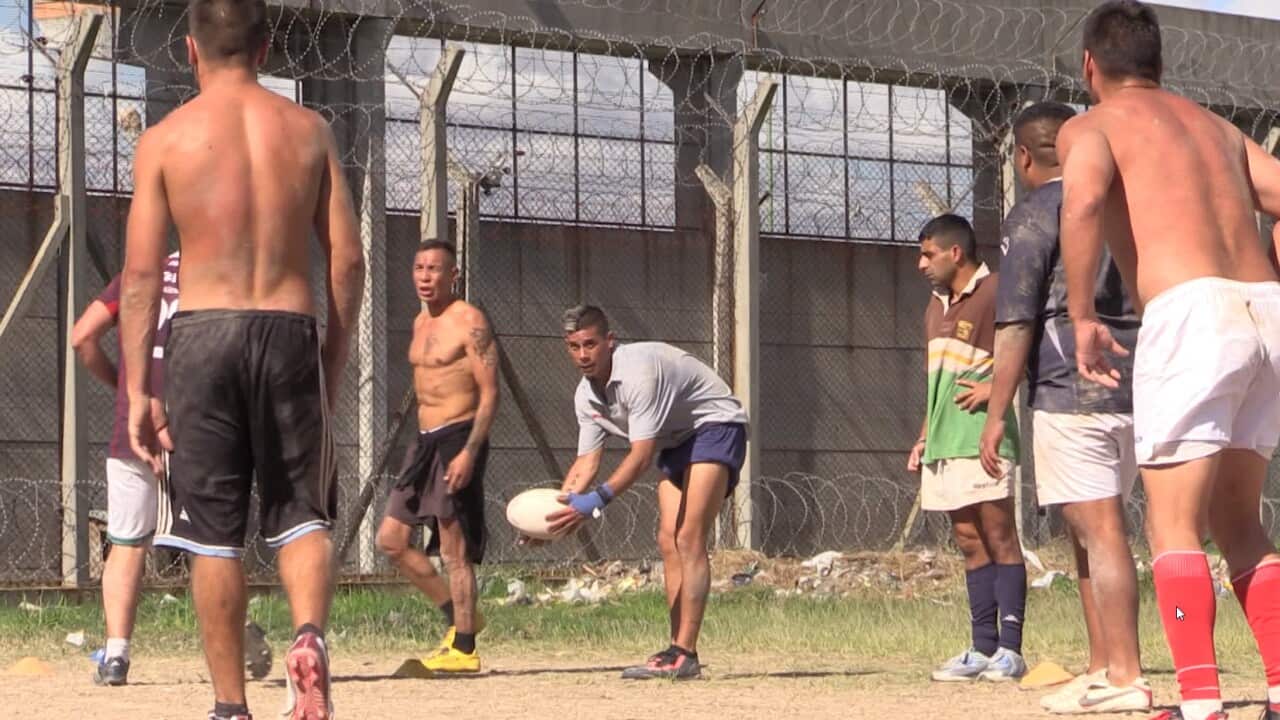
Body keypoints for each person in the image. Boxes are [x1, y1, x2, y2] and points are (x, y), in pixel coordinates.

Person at [118, 0, 365, 715]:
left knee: (211, 533)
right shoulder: (310, 131)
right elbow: (346, 264)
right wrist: (333, 358)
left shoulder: (165, 139)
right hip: (289, 326)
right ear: (266, 49)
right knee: (303, 515)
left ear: (190, 52)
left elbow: (139, 276)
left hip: (203, 332)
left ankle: (231, 706)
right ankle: (310, 638)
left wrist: (140, 388)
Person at [1058, 3, 1280, 719]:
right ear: (1160, 65)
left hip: (1191, 313)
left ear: (1090, 65)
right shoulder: (1219, 129)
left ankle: (1199, 704)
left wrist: (1084, 314)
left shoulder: (1091, 125)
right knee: (1241, 519)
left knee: (1173, 522)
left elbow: (1085, 202)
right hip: (1263, 309)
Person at [978, 101, 1151, 713]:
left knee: (1100, 530)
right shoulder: (1124, 200)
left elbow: (1017, 318)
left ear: (1024, 156)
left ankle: (1126, 674)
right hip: (1138, 383)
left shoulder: (1035, 212)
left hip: (1068, 385)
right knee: (1086, 534)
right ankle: (1101, 665)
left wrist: (997, 412)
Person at [543, 305, 747, 680]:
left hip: (716, 425)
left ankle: (684, 654)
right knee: (667, 540)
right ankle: (678, 650)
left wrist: (597, 500)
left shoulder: (637, 373)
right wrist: (552, 517)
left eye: (590, 344)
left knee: (689, 537)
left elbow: (640, 456)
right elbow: (585, 463)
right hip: (677, 440)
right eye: (574, 346)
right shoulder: (585, 397)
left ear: (609, 342)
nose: (583, 355)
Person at [911, 214, 1027, 683]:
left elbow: (1025, 343)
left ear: (954, 252)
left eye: (927, 253)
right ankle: (981, 648)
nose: (920, 264)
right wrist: (923, 435)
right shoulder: (934, 308)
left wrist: (995, 391)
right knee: (968, 541)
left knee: (1000, 535)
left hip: (983, 435)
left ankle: (1011, 649)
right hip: (944, 440)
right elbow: (937, 384)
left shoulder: (997, 289)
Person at [375, 240, 498, 673]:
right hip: (424, 442)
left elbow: (489, 395)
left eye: (435, 269)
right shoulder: (418, 322)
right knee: (390, 540)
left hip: (458, 438)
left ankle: (464, 650)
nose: (425, 277)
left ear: (453, 275)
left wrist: (468, 452)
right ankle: (459, 616)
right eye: (419, 267)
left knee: (453, 548)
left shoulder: (470, 321)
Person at [70, 252, 180, 686]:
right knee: (212, 545)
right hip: (199, 427)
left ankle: (116, 656)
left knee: (128, 544)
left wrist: (123, 387)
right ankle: (241, 644)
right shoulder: (222, 270)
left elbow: (82, 337)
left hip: (132, 429)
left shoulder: (138, 271)